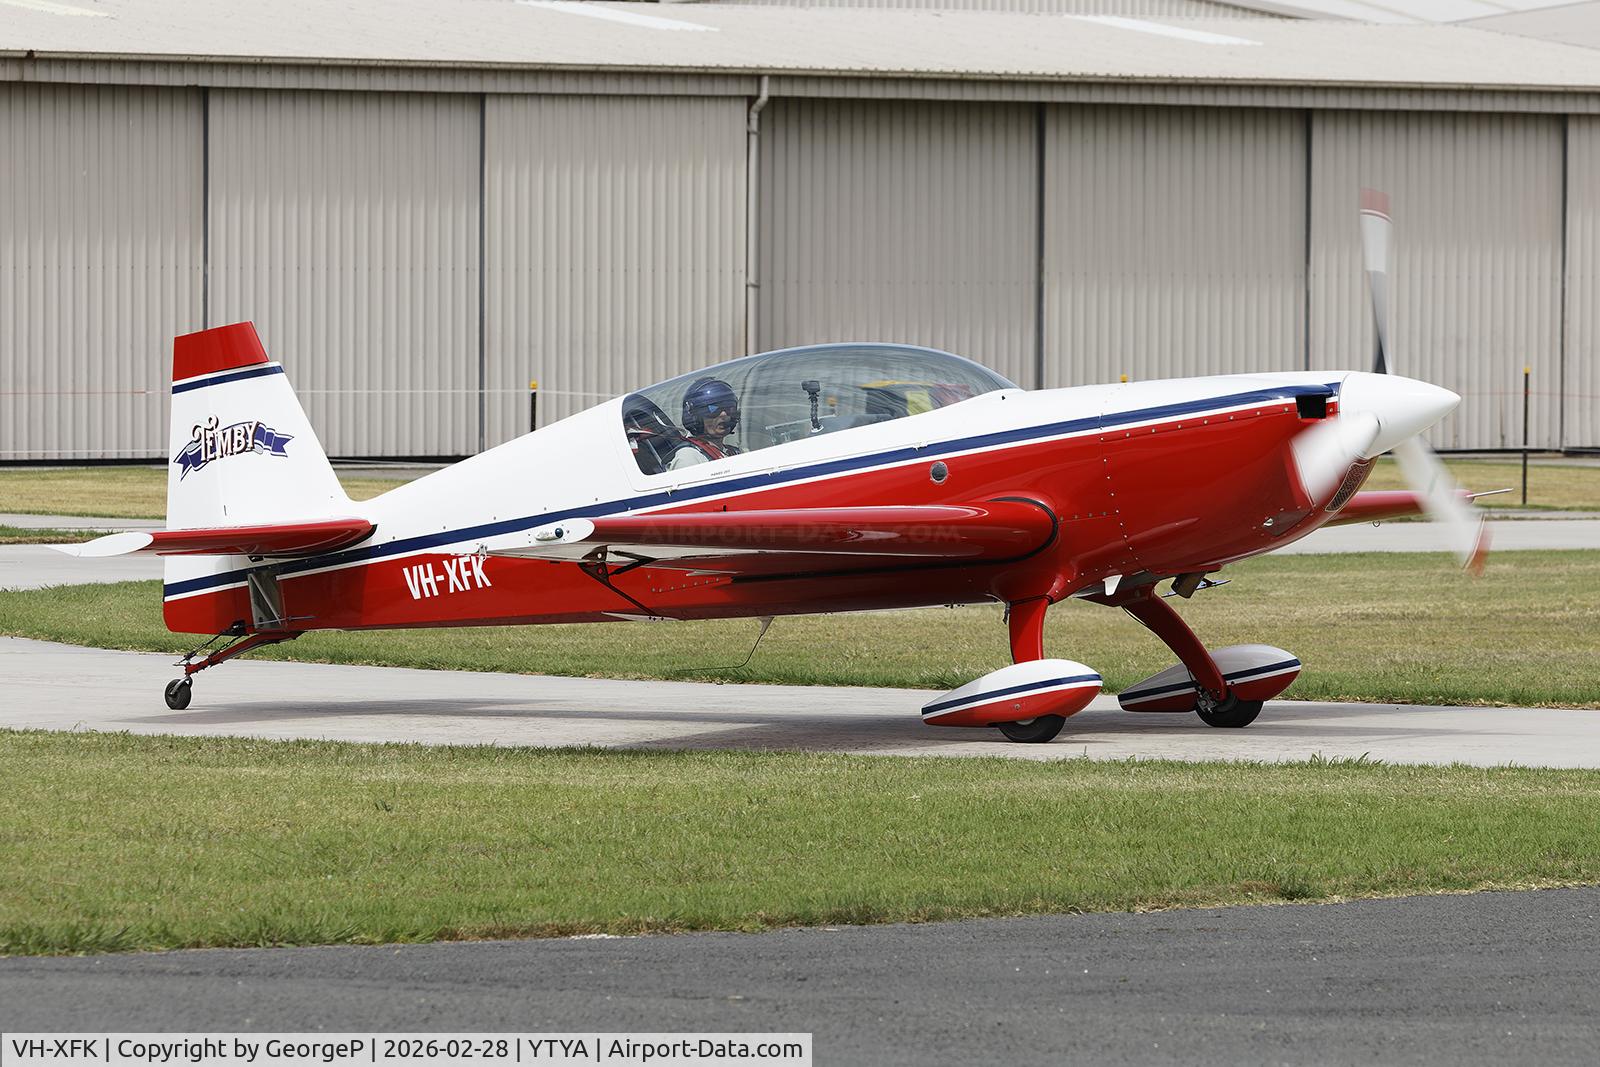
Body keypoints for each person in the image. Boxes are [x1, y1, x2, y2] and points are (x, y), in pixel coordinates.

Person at [672, 377, 742, 469]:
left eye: (728, 407)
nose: (723, 414)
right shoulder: (689, 458)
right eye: (713, 409)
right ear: (695, 416)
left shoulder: (732, 452)